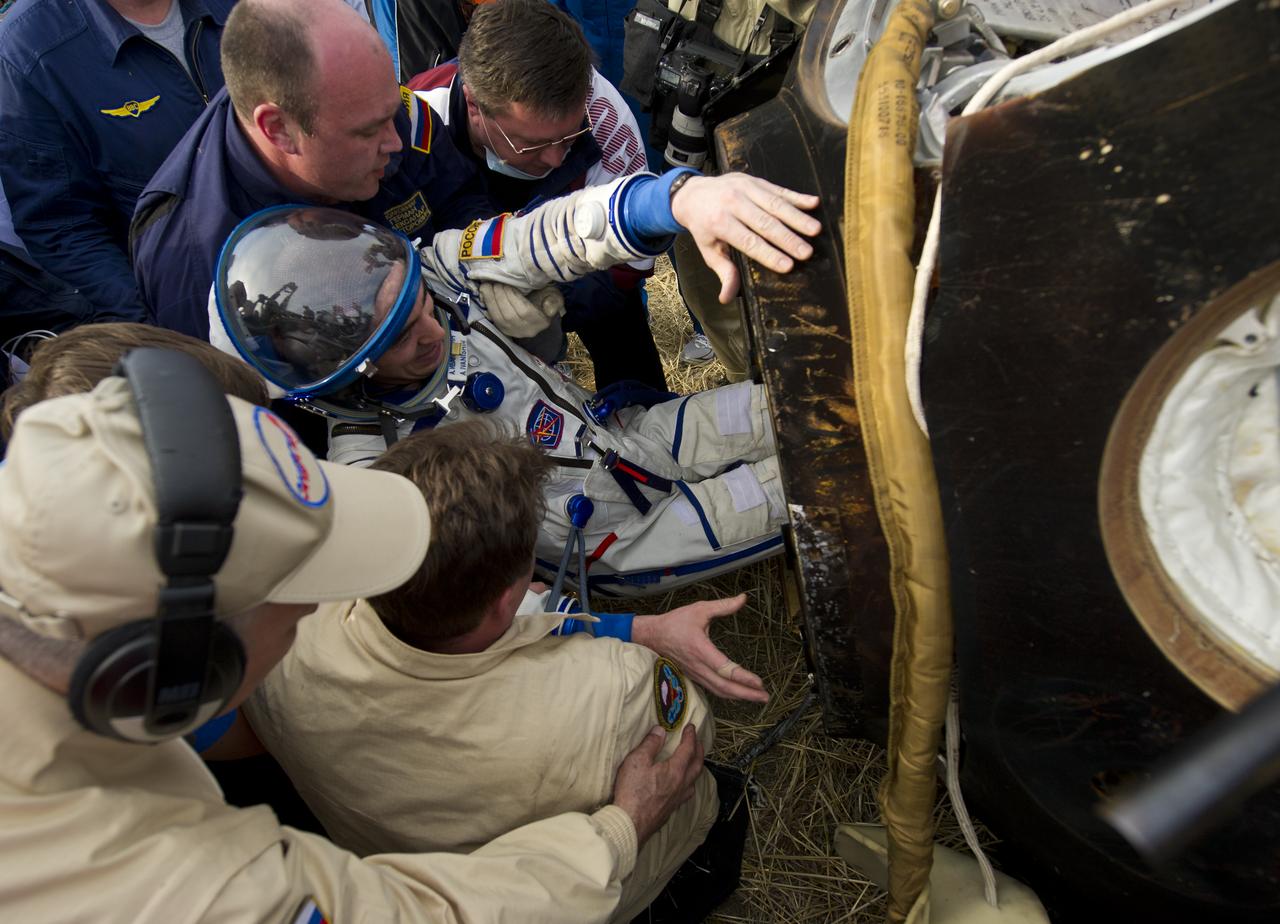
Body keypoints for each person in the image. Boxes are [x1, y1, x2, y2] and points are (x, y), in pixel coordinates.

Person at [0, 358, 706, 922]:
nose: (331, 607)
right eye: (305, 596)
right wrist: (620, 825)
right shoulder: (185, 890)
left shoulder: (81, 636)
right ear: (199, 666)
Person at [246, 421, 756, 921]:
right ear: (509, 598)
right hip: (595, 891)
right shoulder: (615, 690)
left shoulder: (273, 633)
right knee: (705, 811)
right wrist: (628, 822)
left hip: (389, 864)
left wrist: (636, 627)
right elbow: (691, 734)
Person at [131, 0, 819, 342]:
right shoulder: (204, 270)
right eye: (371, 130)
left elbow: (494, 239)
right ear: (278, 129)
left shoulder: (395, 122)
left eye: (391, 114)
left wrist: (672, 199)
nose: (398, 145)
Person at [214, 205, 796, 596]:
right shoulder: (377, 472)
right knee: (796, 491)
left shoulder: (433, 271)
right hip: (609, 540)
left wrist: (665, 201)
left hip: (620, 436)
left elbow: (549, 233)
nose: (435, 331)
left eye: (422, 305)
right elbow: (421, 591)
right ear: (350, 377)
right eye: (406, 339)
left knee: (774, 407)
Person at [408, 0, 666, 389]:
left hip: (579, 260)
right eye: (532, 144)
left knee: (624, 337)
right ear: (474, 105)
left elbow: (625, 270)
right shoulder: (421, 118)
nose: (554, 157)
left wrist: (551, 291)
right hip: (461, 261)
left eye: (569, 137)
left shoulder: (606, 116)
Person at [0, 0, 234, 322]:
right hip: (181, 311)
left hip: (296, 263)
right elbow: (64, 228)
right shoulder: (28, 50)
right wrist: (158, 331)